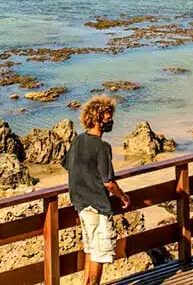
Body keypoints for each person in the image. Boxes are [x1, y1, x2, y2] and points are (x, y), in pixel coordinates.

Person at [61, 96, 130, 285]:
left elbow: (68, 165)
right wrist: (123, 197)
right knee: (99, 256)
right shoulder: (102, 147)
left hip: (81, 204)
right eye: (108, 117)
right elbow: (108, 183)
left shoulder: (78, 141)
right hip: (98, 206)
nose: (110, 120)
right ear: (98, 119)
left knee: (91, 251)